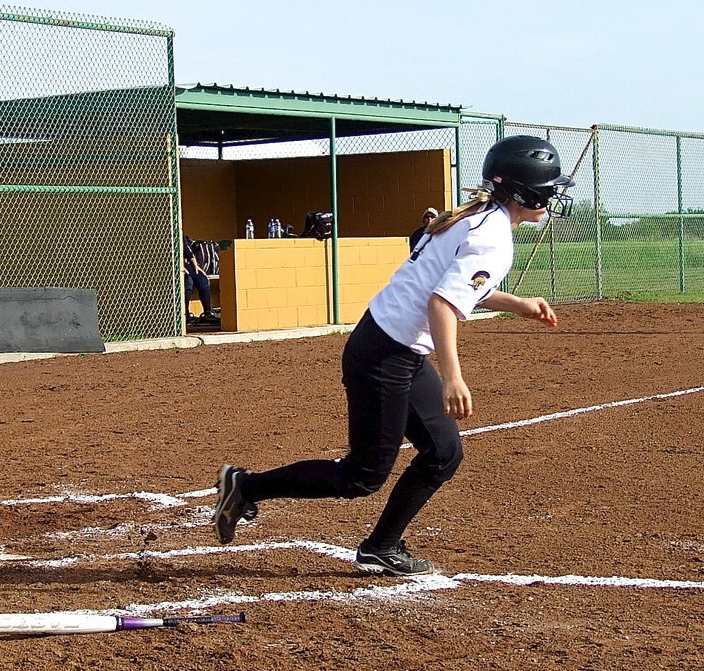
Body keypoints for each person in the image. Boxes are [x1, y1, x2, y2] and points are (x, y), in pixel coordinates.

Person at [212, 136, 575, 576]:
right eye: (549, 189)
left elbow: (454, 289)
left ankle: (381, 546)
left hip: (391, 346)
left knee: (443, 452)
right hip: (384, 353)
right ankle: (245, 486)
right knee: (362, 475)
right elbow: (441, 303)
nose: (553, 197)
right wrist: (452, 376)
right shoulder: (493, 234)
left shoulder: (482, 219)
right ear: (524, 192)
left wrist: (517, 303)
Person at [183, 235, 218, 324]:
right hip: (174, 263)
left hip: (185, 263)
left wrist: (196, 266)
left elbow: (187, 250)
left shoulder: (181, 235)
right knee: (188, 281)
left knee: (202, 279)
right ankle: (185, 315)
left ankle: (208, 313)